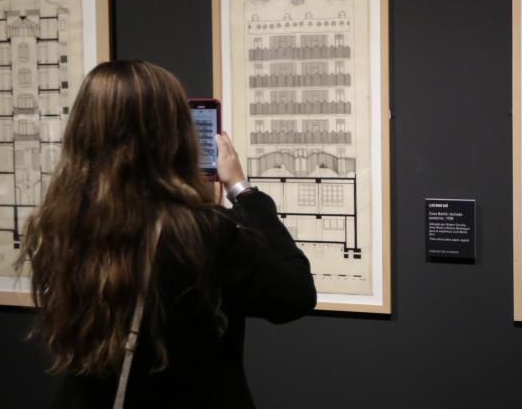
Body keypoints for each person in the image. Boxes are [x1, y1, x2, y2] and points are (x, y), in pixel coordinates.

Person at [19, 60, 317, 408]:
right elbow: (295, 295)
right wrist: (242, 190)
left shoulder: (59, 222)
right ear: (171, 135)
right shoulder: (202, 231)